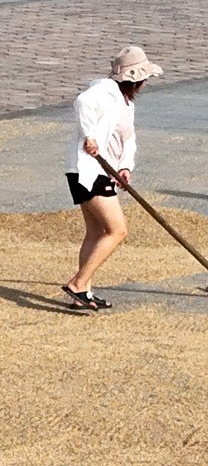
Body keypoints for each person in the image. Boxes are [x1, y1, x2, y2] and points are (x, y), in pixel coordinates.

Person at [63, 46, 163, 310]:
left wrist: (125, 166)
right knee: (117, 230)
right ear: (134, 78)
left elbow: (127, 138)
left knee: (96, 232)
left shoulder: (125, 100)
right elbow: (82, 102)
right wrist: (89, 137)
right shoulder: (105, 90)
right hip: (88, 171)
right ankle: (77, 283)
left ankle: (83, 291)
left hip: (104, 171)